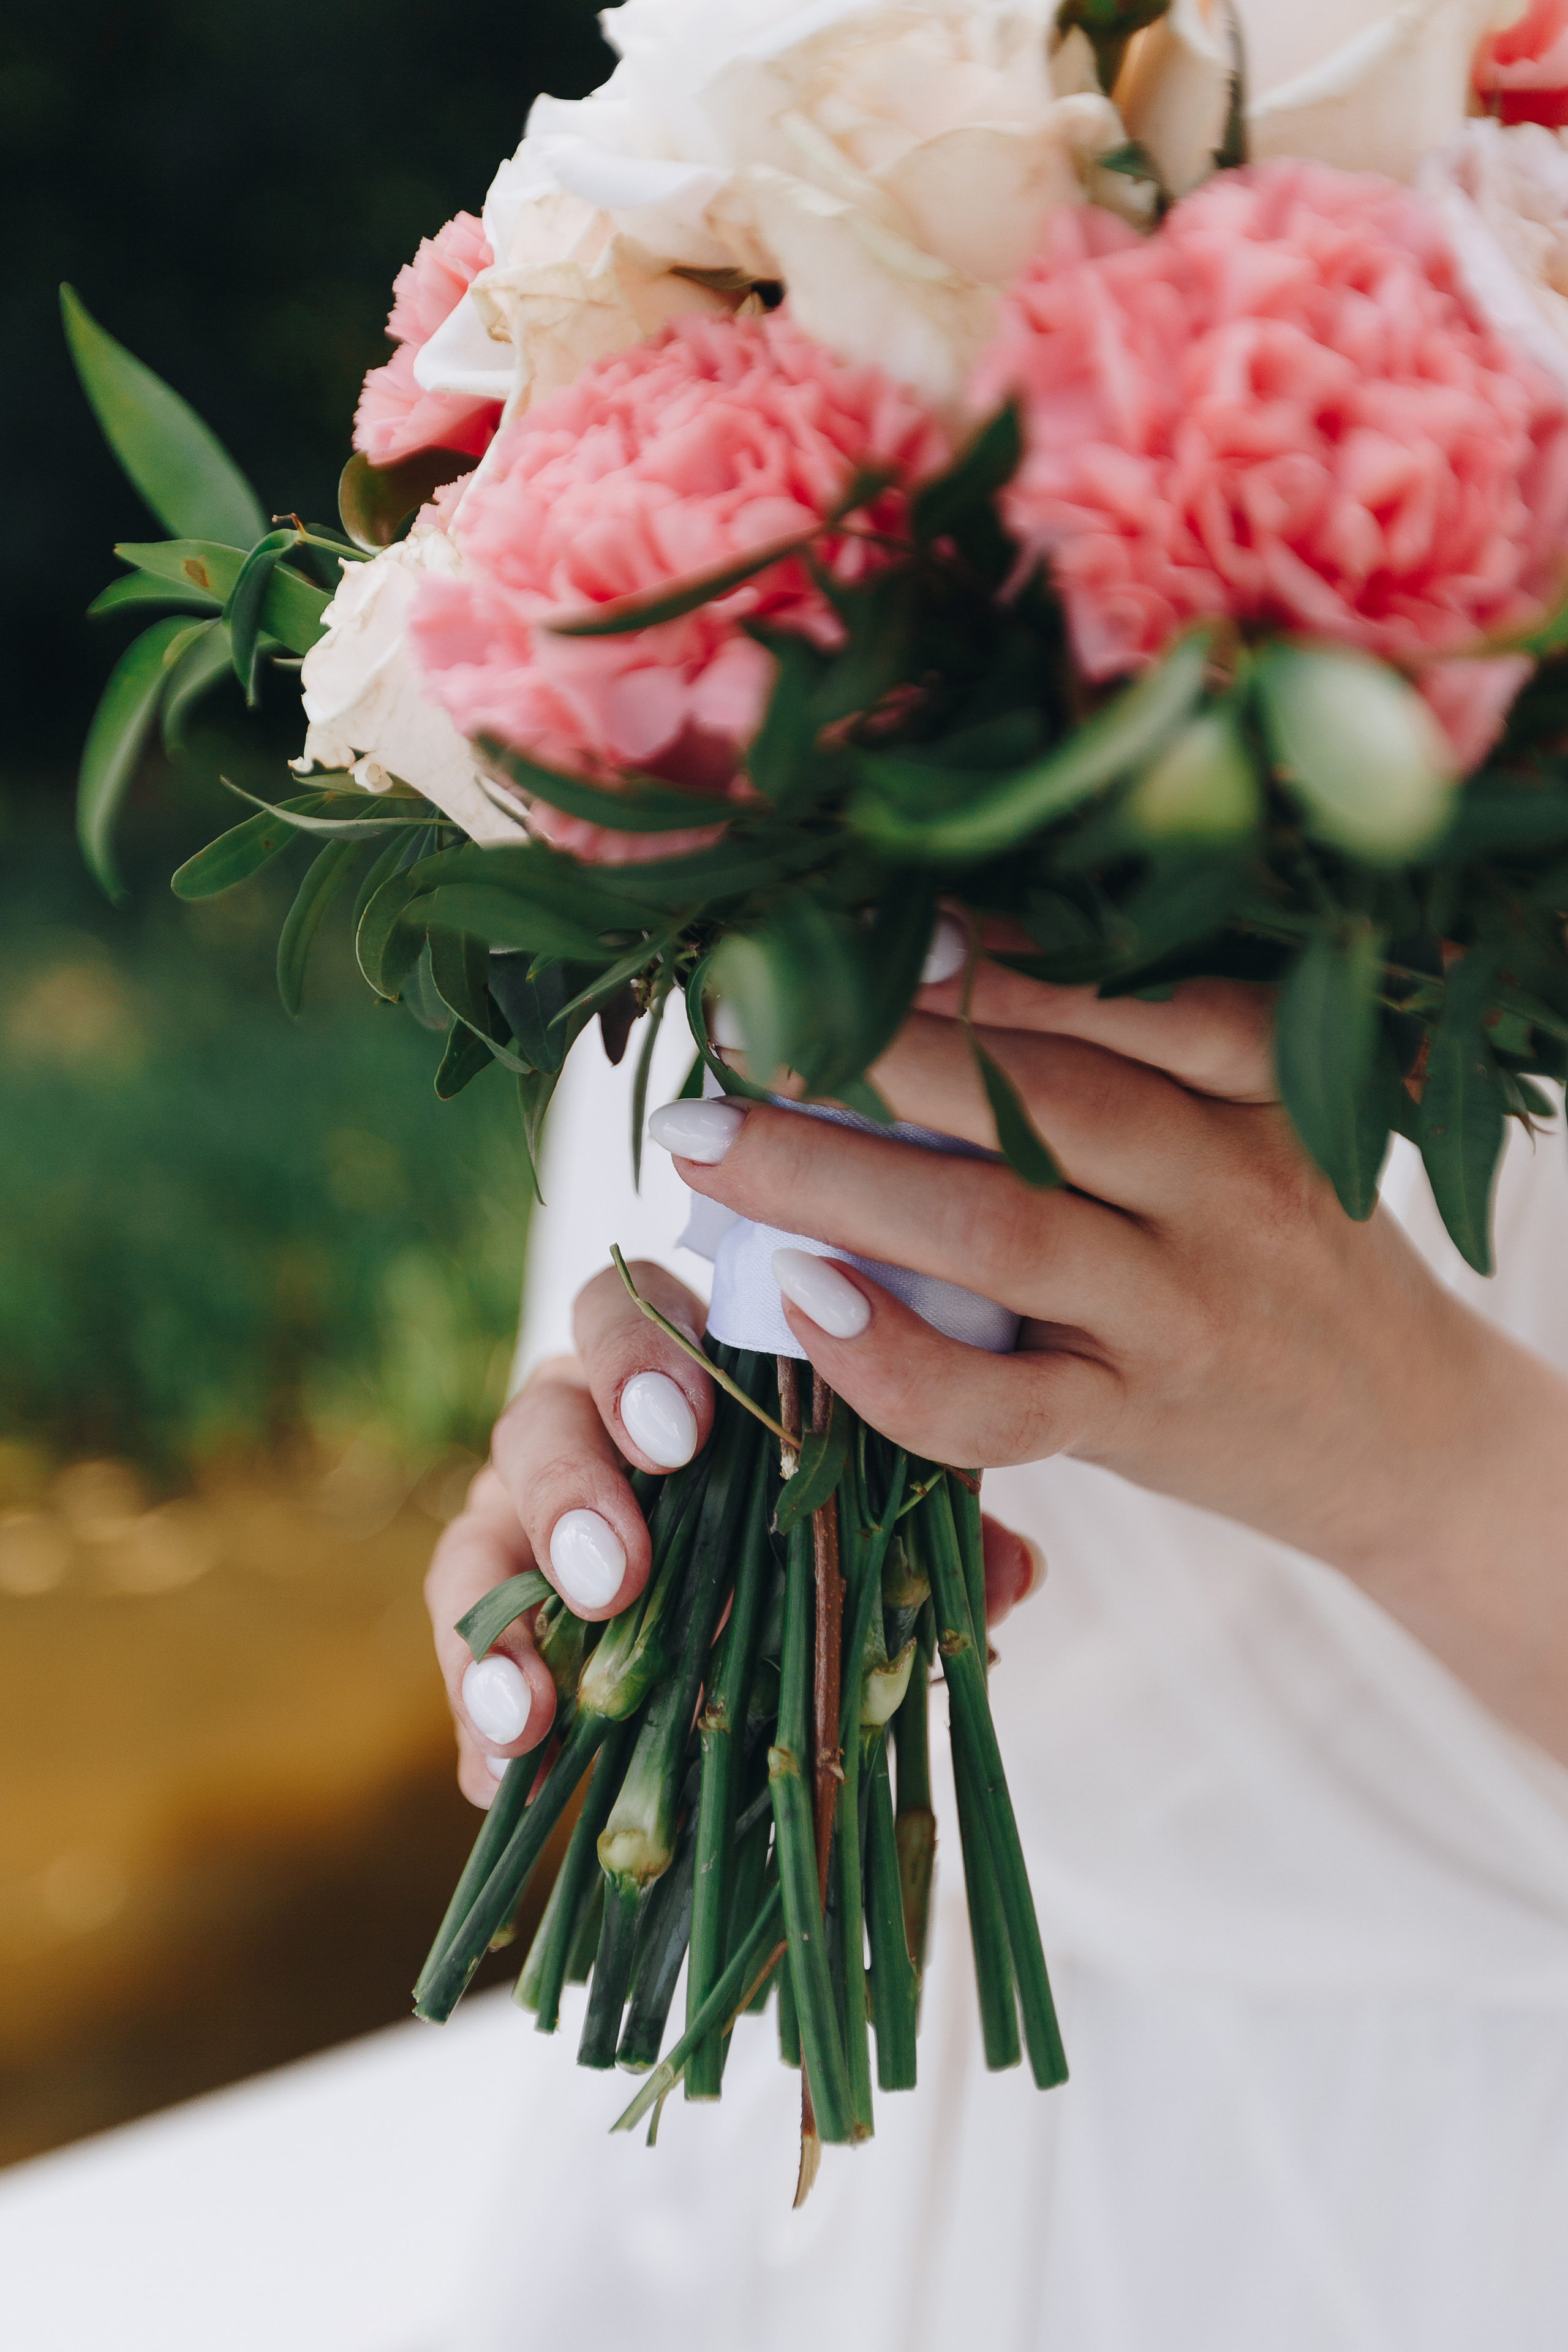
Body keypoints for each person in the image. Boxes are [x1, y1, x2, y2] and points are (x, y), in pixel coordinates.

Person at [425, 955, 1568, 2351]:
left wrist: (1407, 1436)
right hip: (829, 2019)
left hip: (1428, 2150)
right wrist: (632, 1460)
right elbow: (659, 1228)